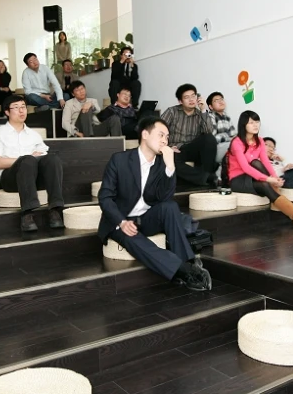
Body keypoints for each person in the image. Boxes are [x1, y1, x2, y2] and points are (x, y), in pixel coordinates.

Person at [98, 116, 212, 291]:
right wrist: (121, 221)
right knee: (134, 239)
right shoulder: (119, 160)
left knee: (170, 207)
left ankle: (187, 262)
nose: (165, 140)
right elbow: (105, 197)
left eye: (167, 137)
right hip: (120, 221)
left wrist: (170, 167)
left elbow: (165, 198)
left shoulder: (161, 164)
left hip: (146, 218)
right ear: (145, 134)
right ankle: (184, 269)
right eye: (161, 135)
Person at [0, 95, 65, 232]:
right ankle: (27, 214)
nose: (21, 111)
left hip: (32, 177)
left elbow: (43, 160)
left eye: (23, 107)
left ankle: (55, 210)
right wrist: (24, 158)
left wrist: (31, 159)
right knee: (27, 160)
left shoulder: (33, 135)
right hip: (10, 179)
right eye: (16, 108)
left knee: (52, 159)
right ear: (7, 112)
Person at [227, 112, 293, 234]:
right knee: (255, 163)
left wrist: (275, 178)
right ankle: (291, 209)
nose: (255, 125)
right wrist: (269, 179)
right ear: (244, 125)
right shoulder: (237, 142)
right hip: (238, 179)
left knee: (260, 173)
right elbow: (245, 167)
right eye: (251, 122)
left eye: (257, 122)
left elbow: (266, 162)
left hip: (253, 177)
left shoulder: (259, 141)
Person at [160, 84, 217, 187]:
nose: (191, 99)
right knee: (168, 158)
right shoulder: (172, 112)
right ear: (180, 101)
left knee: (209, 139)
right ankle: (206, 178)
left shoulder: (200, 114)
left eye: (193, 96)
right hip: (175, 148)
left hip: (192, 148)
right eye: (187, 97)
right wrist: (166, 147)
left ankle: (207, 175)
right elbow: (158, 130)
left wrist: (204, 110)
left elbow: (209, 131)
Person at [205, 92, 236, 170]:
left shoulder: (227, 117)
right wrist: (228, 136)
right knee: (235, 146)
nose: (220, 101)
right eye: (216, 100)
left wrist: (231, 138)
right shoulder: (210, 116)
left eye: (221, 99)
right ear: (210, 106)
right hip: (215, 149)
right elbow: (212, 138)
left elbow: (234, 136)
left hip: (226, 147)